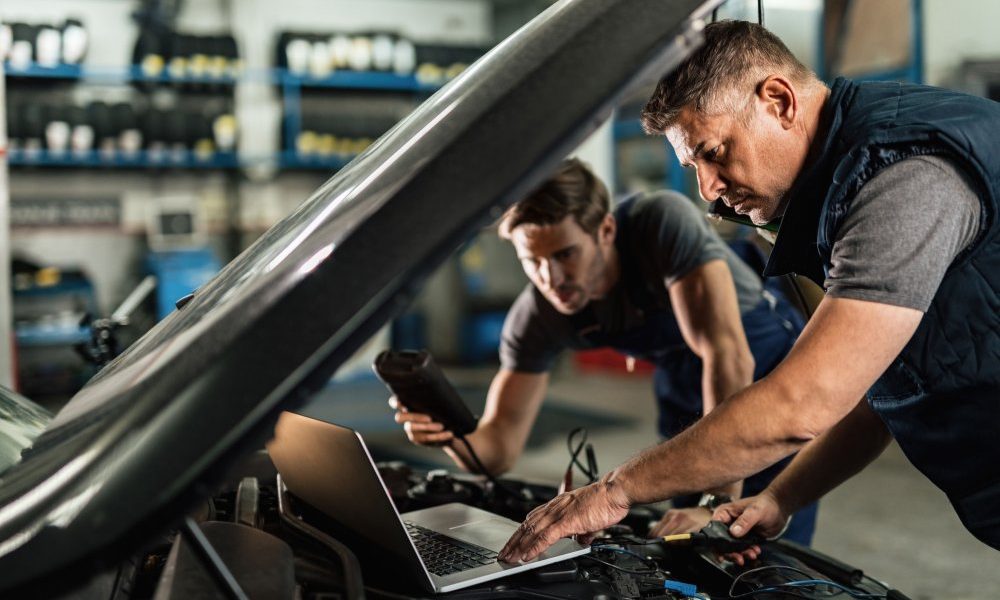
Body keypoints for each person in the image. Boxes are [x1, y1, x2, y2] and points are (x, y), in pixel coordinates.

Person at [498, 19, 1000, 565]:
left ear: (778, 101)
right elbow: (879, 391)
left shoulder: (902, 181)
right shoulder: (845, 184)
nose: (707, 190)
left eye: (713, 153)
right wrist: (781, 496)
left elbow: (802, 403)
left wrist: (613, 492)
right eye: (693, 166)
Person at [392, 158, 817, 543]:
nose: (551, 277)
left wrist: (712, 505)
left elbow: (727, 355)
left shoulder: (660, 224)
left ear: (606, 231)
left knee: (755, 540)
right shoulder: (537, 317)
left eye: (565, 254)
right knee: (683, 543)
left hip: (761, 371)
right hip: (683, 388)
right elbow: (498, 450)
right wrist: (451, 434)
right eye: (533, 260)